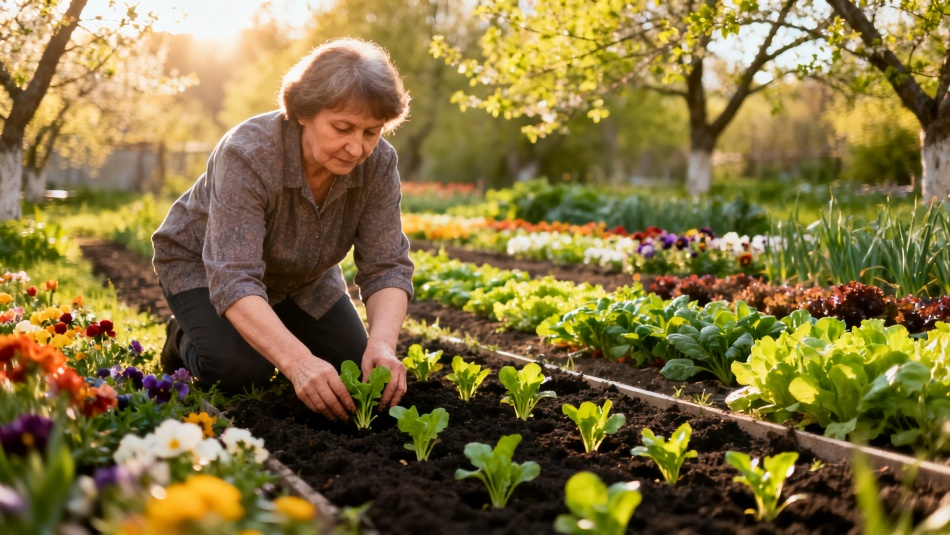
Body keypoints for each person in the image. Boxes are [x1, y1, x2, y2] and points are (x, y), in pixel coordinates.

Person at [151, 38, 413, 422]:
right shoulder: (249, 152)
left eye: (371, 132)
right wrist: (297, 361)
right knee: (241, 370)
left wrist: (384, 346)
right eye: (343, 128)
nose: (356, 149)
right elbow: (234, 276)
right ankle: (183, 336)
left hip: (303, 278)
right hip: (204, 270)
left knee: (356, 371)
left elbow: (387, 265)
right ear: (304, 112)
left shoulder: (379, 165)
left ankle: (272, 328)